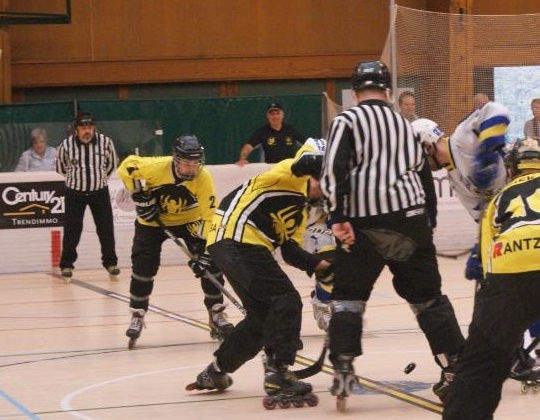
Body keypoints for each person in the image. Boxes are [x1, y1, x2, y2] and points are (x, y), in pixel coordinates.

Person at [319, 60, 465, 403]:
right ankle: (454, 365)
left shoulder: (346, 120)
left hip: (363, 224)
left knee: (348, 299)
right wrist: (427, 221)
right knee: (428, 299)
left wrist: (337, 217)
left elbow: (332, 172)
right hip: (410, 221)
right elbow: (423, 175)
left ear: (355, 93)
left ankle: (343, 367)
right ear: (388, 92)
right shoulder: (405, 124)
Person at [187, 145, 333, 401]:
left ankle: (216, 370)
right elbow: (307, 161)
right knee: (286, 299)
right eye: (326, 179)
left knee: (262, 317)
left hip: (234, 245)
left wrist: (322, 268)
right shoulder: (287, 175)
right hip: (237, 238)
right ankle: (278, 372)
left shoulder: (300, 212)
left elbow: (290, 252)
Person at [411, 112, 540, 374]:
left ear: (427, 146)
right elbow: (484, 215)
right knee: (495, 296)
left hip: (528, 208)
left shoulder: (462, 137)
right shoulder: (455, 179)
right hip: (507, 226)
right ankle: (515, 353)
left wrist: (488, 147)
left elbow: (497, 113)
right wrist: (479, 250)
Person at [443, 137, 540, 420]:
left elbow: (484, 268)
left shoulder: (499, 199)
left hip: (509, 270)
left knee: (481, 366)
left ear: (510, 170)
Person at [116, 135, 234, 342]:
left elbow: (210, 216)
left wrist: (206, 252)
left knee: (211, 263)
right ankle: (137, 313)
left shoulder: (203, 179)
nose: (191, 168)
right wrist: (138, 195)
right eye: (187, 162)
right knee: (144, 266)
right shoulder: (155, 167)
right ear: (176, 159)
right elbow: (126, 166)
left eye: (195, 162)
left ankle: (216, 312)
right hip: (152, 223)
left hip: (190, 221)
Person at [55, 112, 120, 281]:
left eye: (90, 127)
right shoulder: (66, 145)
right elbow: (60, 168)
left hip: (99, 191)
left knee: (106, 229)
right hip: (74, 192)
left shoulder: (105, 142)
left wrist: (97, 178)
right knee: (72, 230)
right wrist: (77, 179)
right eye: (84, 128)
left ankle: (111, 263)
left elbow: (112, 164)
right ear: (76, 130)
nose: (87, 131)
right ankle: (67, 265)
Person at [235, 102, 305, 166]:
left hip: (289, 168)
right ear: (267, 116)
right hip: (269, 169)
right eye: (272, 114)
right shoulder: (261, 132)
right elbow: (248, 147)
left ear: (282, 115)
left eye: (278, 113)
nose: (275, 117)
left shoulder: (291, 130)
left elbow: (306, 145)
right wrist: (242, 159)